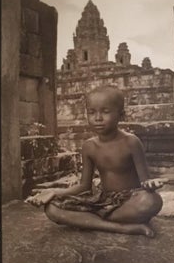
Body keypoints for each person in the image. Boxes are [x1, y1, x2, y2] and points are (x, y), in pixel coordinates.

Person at [26, 85, 166, 237]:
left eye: (105, 112)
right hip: (101, 201)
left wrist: (150, 185)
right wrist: (54, 192)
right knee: (52, 208)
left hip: (128, 201)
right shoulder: (89, 146)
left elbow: (145, 182)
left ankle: (92, 221)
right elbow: (84, 186)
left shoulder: (131, 142)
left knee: (152, 201)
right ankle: (124, 228)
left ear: (121, 115)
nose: (97, 118)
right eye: (92, 112)